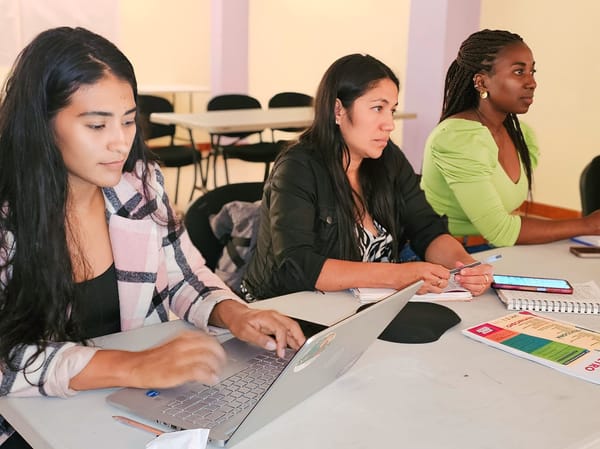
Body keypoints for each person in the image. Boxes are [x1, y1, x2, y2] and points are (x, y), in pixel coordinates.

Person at [0, 27, 304, 448]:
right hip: (33, 422)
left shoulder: (139, 186)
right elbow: (7, 361)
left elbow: (184, 276)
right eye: (96, 125)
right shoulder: (9, 218)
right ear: (42, 124)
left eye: (128, 121)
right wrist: (134, 366)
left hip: (128, 408)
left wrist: (234, 313)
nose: (120, 142)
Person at [242, 53, 493, 302]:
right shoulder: (298, 167)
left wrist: (467, 266)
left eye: (391, 110)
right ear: (337, 109)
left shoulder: (387, 158)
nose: (389, 124)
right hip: (287, 312)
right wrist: (396, 275)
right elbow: (297, 265)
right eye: (377, 108)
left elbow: (426, 227)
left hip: (362, 309)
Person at [421, 29, 600, 250]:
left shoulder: (522, 134)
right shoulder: (457, 139)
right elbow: (500, 230)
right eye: (518, 72)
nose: (532, 82)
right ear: (482, 83)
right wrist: (587, 224)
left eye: (532, 72)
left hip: (497, 252)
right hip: (449, 258)